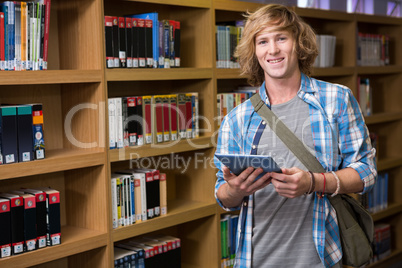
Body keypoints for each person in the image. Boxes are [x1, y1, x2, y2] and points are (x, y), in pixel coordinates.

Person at [214, 4, 377, 268]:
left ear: (298, 44)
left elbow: (367, 172)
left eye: (281, 38)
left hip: (321, 257)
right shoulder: (237, 118)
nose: (273, 50)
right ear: (254, 52)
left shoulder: (336, 99)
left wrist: (312, 183)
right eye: (263, 41)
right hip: (255, 259)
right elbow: (223, 196)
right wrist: (234, 190)